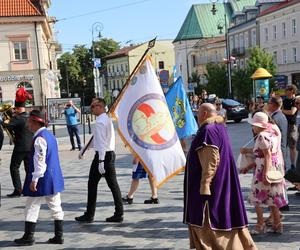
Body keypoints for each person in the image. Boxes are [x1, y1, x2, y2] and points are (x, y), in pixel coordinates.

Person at [184, 103, 256, 250]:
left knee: (210, 226)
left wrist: (205, 185)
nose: (197, 117)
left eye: (198, 114)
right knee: (227, 221)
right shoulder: (220, 127)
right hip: (222, 184)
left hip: (211, 191)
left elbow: (211, 159)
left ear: (204, 114)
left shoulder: (208, 131)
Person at [14, 110, 64, 246]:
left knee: (31, 206)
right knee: (55, 206)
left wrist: (34, 179)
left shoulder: (39, 139)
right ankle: (59, 236)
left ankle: (28, 236)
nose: (28, 124)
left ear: (36, 122)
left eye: (29, 121)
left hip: (42, 178)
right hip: (53, 176)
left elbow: (40, 161)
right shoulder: (50, 136)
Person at [75, 98, 123, 223]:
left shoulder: (101, 122)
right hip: (107, 154)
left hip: (103, 156)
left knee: (97, 185)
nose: (91, 108)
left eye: (93, 106)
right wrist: (84, 149)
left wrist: (101, 161)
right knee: (111, 185)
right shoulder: (104, 119)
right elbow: (96, 138)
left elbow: (101, 143)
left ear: (100, 107)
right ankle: (118, 213)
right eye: (91, 106)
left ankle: (91, 214)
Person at [240, 112, 287, 234]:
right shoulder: (272, 133)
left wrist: (265, 174)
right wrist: (249, 166)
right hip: (274, 169)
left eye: (254, 125)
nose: (252, 128)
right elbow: (264, 156)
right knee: (272, 198)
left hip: (264, 170)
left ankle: (260, 225)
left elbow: (266, 156)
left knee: (256, 198)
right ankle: (278, 224)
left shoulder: (262, 136)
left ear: (259, 125)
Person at [3, 87, 33, 198]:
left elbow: (6, 125)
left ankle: (18, 190)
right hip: (30, 146)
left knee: (14, 167)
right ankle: (30, 188)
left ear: (19, 108)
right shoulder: (29, 116)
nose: (14, 110)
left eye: (15, 108)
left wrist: (2, 118)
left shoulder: (18, 118)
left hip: (20, 147)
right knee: (29, 168)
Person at [282, 84, 298, 170]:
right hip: (284, 125)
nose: (285, 91)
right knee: (283, 146)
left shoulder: (296, 101)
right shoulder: (284, 101)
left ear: (292, 91)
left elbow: (292, 112)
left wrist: (282, 111)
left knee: (292, 146)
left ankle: (293, 165)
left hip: (292, 126)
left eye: (287, 90)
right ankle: (283, 164)